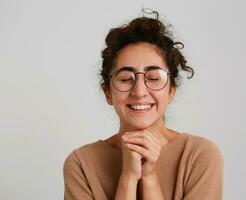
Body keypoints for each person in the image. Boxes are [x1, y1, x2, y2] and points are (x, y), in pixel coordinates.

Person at [63, 10, 223, 200]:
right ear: (108, 93)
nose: (139, 92)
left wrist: (149, 177)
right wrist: (128, 178)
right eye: (125, 78)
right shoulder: (81, 163)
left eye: (154, 78)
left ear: (171, 91)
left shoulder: (200, 155)